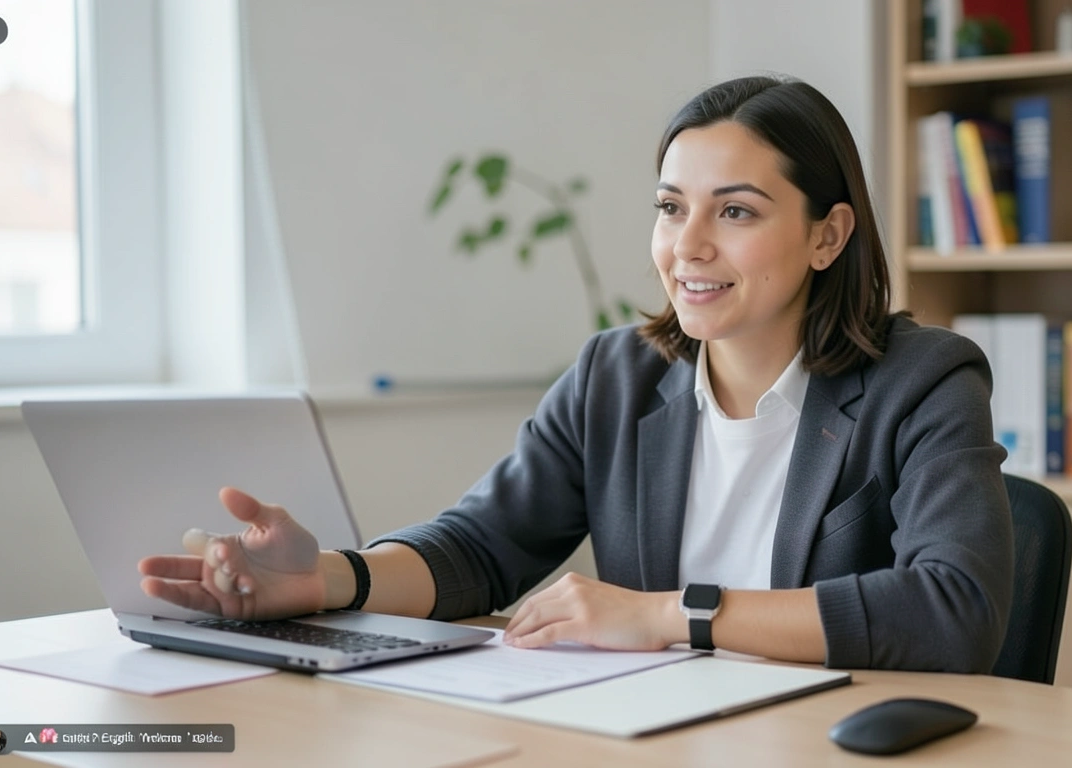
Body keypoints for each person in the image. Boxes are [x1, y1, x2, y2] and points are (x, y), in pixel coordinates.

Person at [139, 75, 1013, 672]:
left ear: (829, 235)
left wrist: (668, 614)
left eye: (736, 211)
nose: (689, 246)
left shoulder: (924, 382)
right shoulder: (616, 376)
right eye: (671, 208)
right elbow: (483, 546)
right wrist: (330, 579)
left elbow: (953, 608)